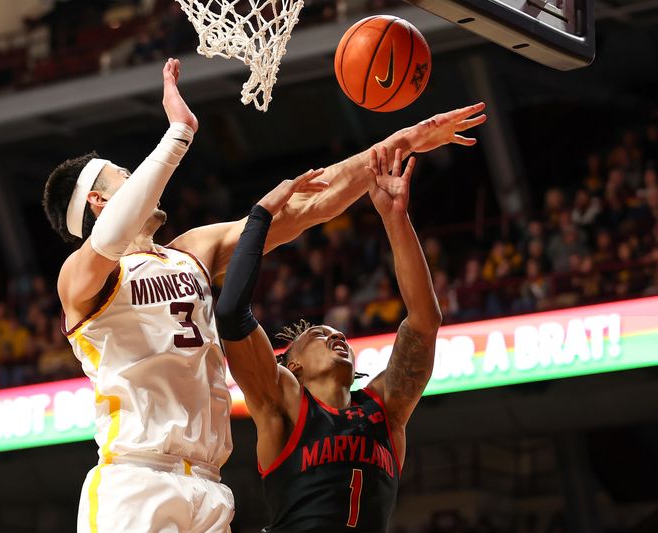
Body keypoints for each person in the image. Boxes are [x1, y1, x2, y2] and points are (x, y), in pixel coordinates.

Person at [41, 55, 484, 532]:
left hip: (209, 486)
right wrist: (179, 134)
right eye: (127, 177)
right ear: (99, 201)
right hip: (136, 480)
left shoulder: (191, 252)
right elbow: (108, 238)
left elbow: (313, 202)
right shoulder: (81, 279)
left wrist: (401, 142)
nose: (142, 183)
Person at [215, 146, 443, 532]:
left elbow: (423, 322)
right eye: (319, 334)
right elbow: (230, 314)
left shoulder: (384, 409)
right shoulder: (283, 403)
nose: (336, 336)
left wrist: (395, 219)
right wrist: (261, 217)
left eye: (338, 334)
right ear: (294, 364)